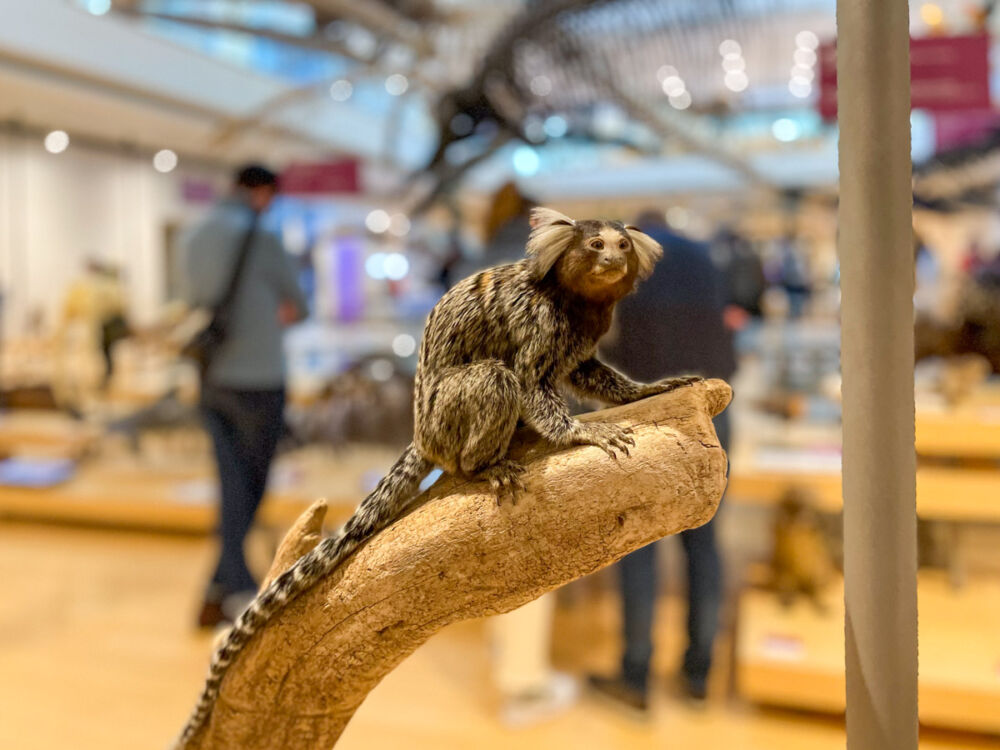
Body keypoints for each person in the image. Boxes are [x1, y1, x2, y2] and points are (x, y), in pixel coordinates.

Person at [588, 210, 735, 713]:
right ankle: (698, 675)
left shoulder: (624, 259)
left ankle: (636, 675)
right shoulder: (703, 257)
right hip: (710, 406)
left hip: (649, 409)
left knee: (639, 542)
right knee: (705, 545)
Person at [178, 164, 309, 629]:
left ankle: (219, 592)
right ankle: (239, 587)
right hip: (259, 381)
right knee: (247, 490)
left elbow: (190, 300)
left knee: (232, 486)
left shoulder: (191, 237)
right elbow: (301, 304)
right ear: (261, 192)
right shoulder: (265, 240)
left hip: (212, 378)